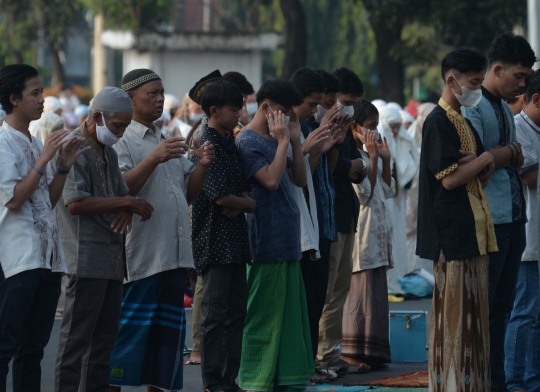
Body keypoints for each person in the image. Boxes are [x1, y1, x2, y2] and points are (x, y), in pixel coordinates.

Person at [109, 69, 215, 392]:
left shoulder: (162, 137)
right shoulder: (121, 140)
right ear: (130, 99)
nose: (159, 99)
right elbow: (121, 188)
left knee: (165, 348)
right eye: (151, 93)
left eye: (161, 93)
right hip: (143, 256)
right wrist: (154, 158)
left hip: (172, 255)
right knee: (127, 340)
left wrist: (202, 166)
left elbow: (186, 193)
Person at [53, 87, 154, 391]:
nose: (121, 133)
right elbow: (76, 204)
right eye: (118, 126)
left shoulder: (107, 151)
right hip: (84, 259)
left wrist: (125, 204)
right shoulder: (74, 147)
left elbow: (122, 194)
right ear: (97, 117)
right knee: (75, 343)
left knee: (104, 344)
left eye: (124, 126)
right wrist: (124, 204)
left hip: (111, 261)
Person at [0, 64, 87, 391]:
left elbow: (46, 201)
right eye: (35, 93)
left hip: (47, 259)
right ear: (14, 99)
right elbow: (15, 200)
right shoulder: (4, 143)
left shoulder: (34, 143)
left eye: (41, 92)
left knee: (32, 349)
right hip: (17, 259)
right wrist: (44, 160)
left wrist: (61, 167)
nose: (41, 100)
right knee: (6, 346)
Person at [418, 48, 498, 391]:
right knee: (453, 318)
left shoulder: (462, 119)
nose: (478, 88)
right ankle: (451, 384)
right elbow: (451, 178)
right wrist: (487, 159)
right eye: (474, 82)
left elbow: (481, 171)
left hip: (473, 231)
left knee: (474, 319)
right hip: (450, 236)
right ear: (452, 80)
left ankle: (472, 383)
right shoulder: (437, 121)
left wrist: (479, 162)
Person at [462, 32, 535, 392]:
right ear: (497, 68)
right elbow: (479, 164)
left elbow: (506, 157)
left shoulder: (506, 108)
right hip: (488, 220)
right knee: (487, 311)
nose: (522, 85)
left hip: (513, 218)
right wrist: (506, 154)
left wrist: (503, 154)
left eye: (526, 78)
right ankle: (485, 382)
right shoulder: (472, 108)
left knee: (503, 308)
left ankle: (498, 381)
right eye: (518, 76)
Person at [236, 78, 313, 391]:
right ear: (266, 107)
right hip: (264, 241)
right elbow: (269, 180)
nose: (286, 119)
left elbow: (299, 180)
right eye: (283, 112)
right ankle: (257, 380)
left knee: (289, 317)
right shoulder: (248, 142)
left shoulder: (279, 138)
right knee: (263, 316)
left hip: (287, 237)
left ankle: (287, 378)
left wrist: (294, 140)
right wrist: (283, 143)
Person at [191, 79, 254, 392]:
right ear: (214, 110)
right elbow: (220, 197)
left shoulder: (228, 141)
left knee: (236, 313)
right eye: (234, 109)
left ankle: (229, 380)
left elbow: (239, 191)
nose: (239, 114)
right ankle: (213, 382)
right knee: (215, 317)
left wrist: (242, 201)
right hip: (214, 240)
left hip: (235, 241)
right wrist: (250, 204)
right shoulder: (207, 143)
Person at [289, 67, 346, 383]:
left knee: (317, 299)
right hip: (302, 228)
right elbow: (298, 177)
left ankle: (308, 364)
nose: (319, 109)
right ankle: (302, 366)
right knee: (305, 301)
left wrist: (332, 145)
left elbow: (324, 171)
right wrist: (311, 144)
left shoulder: (310, 128)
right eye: (316, 103)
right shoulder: (290, 131)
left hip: (323, 222)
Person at [342, 100, 395, 372]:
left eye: (376, 126)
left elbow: (388, 189)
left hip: (377, 235)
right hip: (362, 234)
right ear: (355, 127)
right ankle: (352, 352)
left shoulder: (367, 155)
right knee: (359, 296)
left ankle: (373, 353)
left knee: (374, 294)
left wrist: (384, 159)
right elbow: (365, 194)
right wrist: (373, 159)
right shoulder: (356, 159)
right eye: (370, 126)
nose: (374, 132)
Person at [318, 67, 364, 373]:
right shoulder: (321, 125)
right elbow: (331, 167)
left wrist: (355, 164)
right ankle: (320, 354)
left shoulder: (346, 125)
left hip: (346, 212)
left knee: (341, 287)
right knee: (327, 288)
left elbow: (355, 166)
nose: (348, 108)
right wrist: (351, 164)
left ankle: (330, 353)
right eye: (344, 101)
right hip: (329, 216)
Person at [505, 69, 540, 392]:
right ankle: (515, 380)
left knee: (535, 316)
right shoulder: (519, 127)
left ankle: (532, 379)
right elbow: (529, 175)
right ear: (537, 99)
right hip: (528, 240)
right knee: (525, 314)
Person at [379, 106, 420, 292]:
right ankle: (388, 284)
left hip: (398, 197)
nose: (395, 131)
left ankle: (398, 280)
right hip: (384, 199)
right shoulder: (381, 138)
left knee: (398, 239)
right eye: (392, 127)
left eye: (398, 127)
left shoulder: (400, 139)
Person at [405, 103, 437, 276]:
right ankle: (411, 269)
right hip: (413, 193)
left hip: (428, 192)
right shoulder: (409, 138)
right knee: (410, 227)